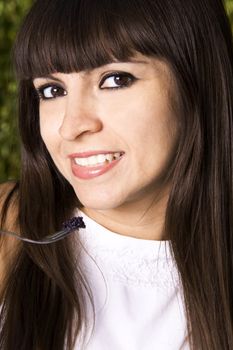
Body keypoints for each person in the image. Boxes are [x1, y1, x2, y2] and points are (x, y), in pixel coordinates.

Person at [0, 0, 232, 349]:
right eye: (52, 90)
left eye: (115, 79)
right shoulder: (8, 229)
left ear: (196, 84)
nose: (71, 126)